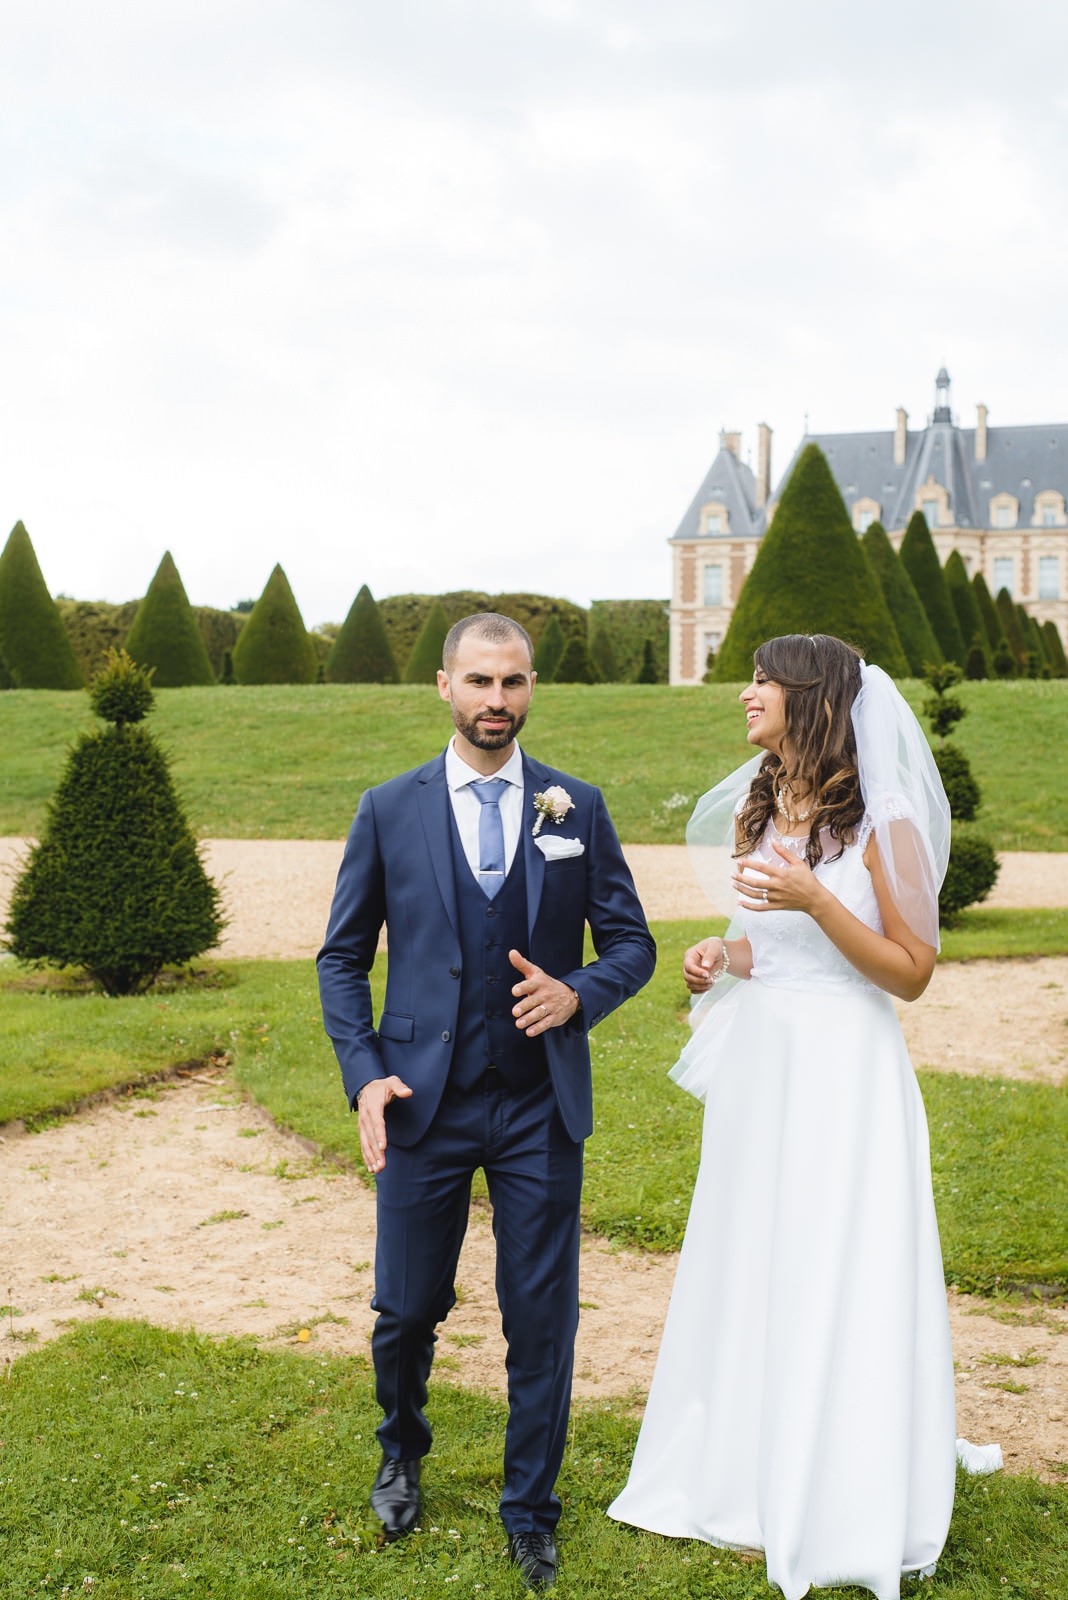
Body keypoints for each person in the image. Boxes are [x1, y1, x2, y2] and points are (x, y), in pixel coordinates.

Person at [608, 634, 957, 1600]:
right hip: (767, 1067)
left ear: (813, 697)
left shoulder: (882, 817)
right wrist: (723, 958)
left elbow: (911, 971)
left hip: (844, 1068)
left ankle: (840, 1475)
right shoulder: (767, 803)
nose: (746, 694)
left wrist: (812, 898)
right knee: (754, 1252)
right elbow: (773, 946)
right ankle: (737, 1463)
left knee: (832, 1254)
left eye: (763, 680)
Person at [318, 611, 656, 1590]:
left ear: (531, 687)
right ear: (444, 685)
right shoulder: (388, 808)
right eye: (479, 682)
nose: (496, 702)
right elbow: (342, 956)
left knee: (540, 1313)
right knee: (406, 1305)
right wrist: (364, 1070)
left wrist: (579, 994)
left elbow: (629, 942)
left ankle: (530, 1507)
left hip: (538, 1107)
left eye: (513, 683)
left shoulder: (574, 808)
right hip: (423, 1103)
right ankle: (401, 1447)